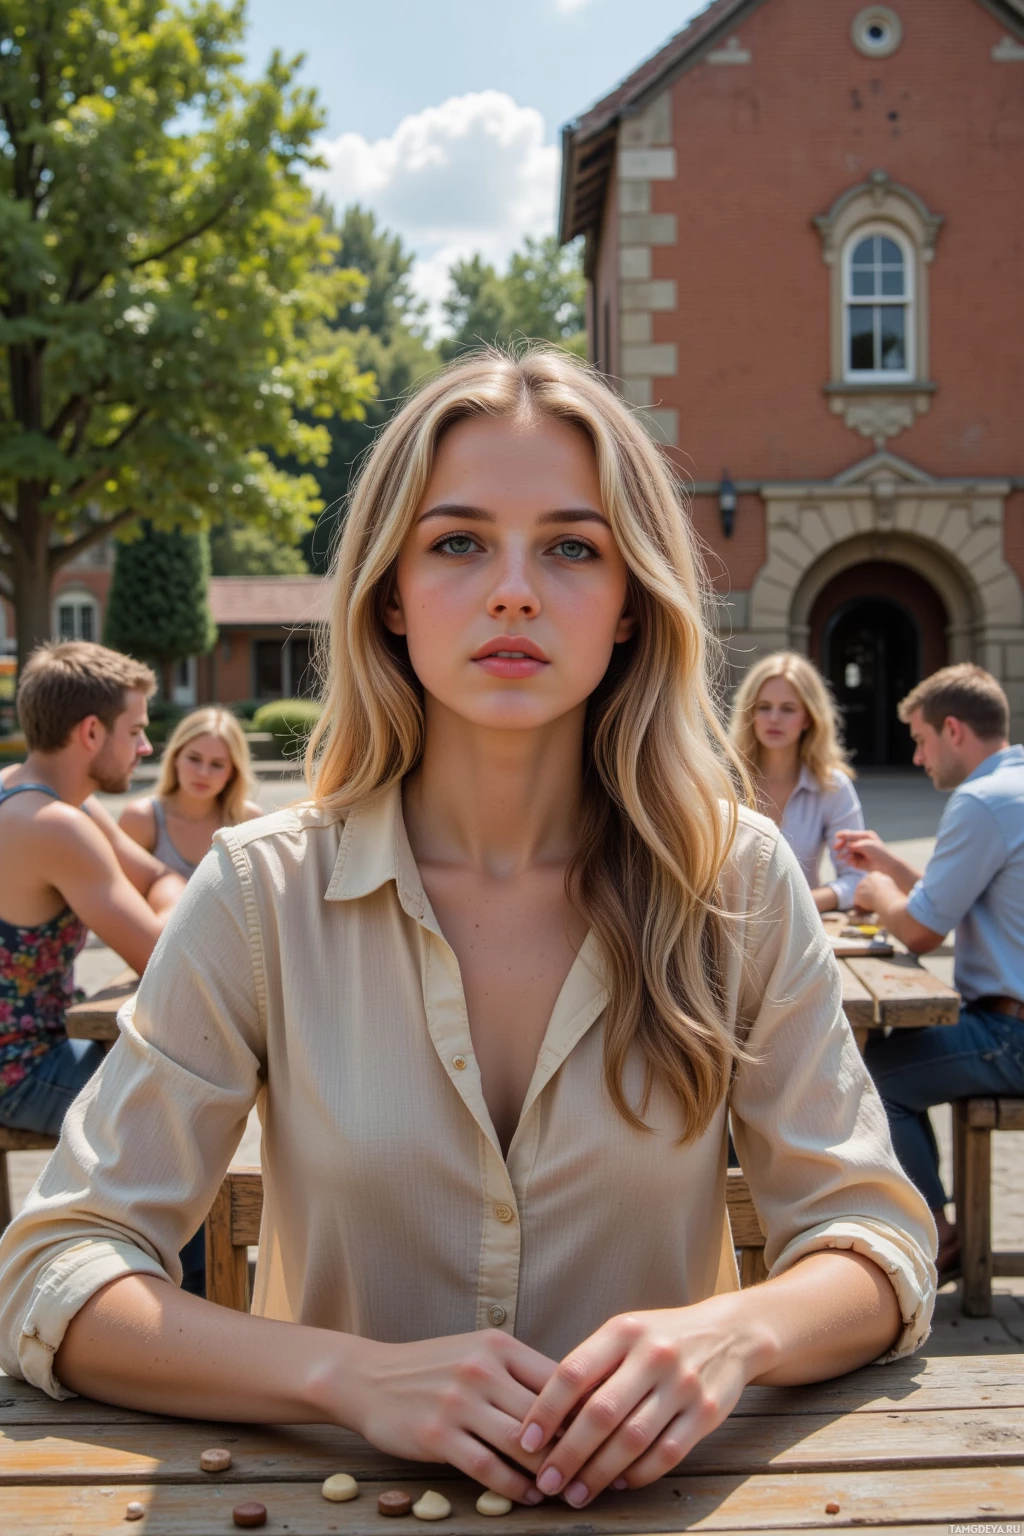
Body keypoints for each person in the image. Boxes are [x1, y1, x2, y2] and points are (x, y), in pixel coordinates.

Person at [0, 351, 933, 1513]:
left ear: (631, 600)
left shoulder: (733, 881)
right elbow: (58, 1267)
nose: (512, 591)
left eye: (571, 547)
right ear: (390, 592)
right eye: (456, 543)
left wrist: (733, 1336)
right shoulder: (256, 894)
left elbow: (875, 1244)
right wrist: (350, 1376)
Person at [834, 664, 1024, 1283]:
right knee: (892, 1059)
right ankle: (939, 1228)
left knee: (871, 1075)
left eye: (919, 740)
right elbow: (952, 900)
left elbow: (919, 930)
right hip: (1007, 1025)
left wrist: (875, 890)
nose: (917, 757)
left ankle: (937, 1238)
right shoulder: (1013, 789)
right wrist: (893, 866)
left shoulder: (980, 801)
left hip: (1010, 1037)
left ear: (952, 728)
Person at [0, 641, 185, 1136]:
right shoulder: (55, 824)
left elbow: (160, 877)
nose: (145, 749)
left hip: (41, 1046)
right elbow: (160, 954)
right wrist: (167, 902)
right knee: (175, 1130)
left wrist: (163, 891)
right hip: (18, 1070)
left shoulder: (35, 795)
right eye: (136, 731)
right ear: (90, 731)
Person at [729, 652, 865, 911]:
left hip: (801, 929)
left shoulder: (832, 786)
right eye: (764, 707)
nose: (774, 718)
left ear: (808, 718)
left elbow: (857, 878)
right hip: (728, 930)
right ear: (750, 713)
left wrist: (802, 905)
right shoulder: (722, 779)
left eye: (788, 709)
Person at [120, 707, 261, 876]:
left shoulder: (249, 821)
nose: (203, 773)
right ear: (176, 758)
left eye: (217, 764)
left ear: (232, 771)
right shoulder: (141, 818)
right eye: (194, 759)